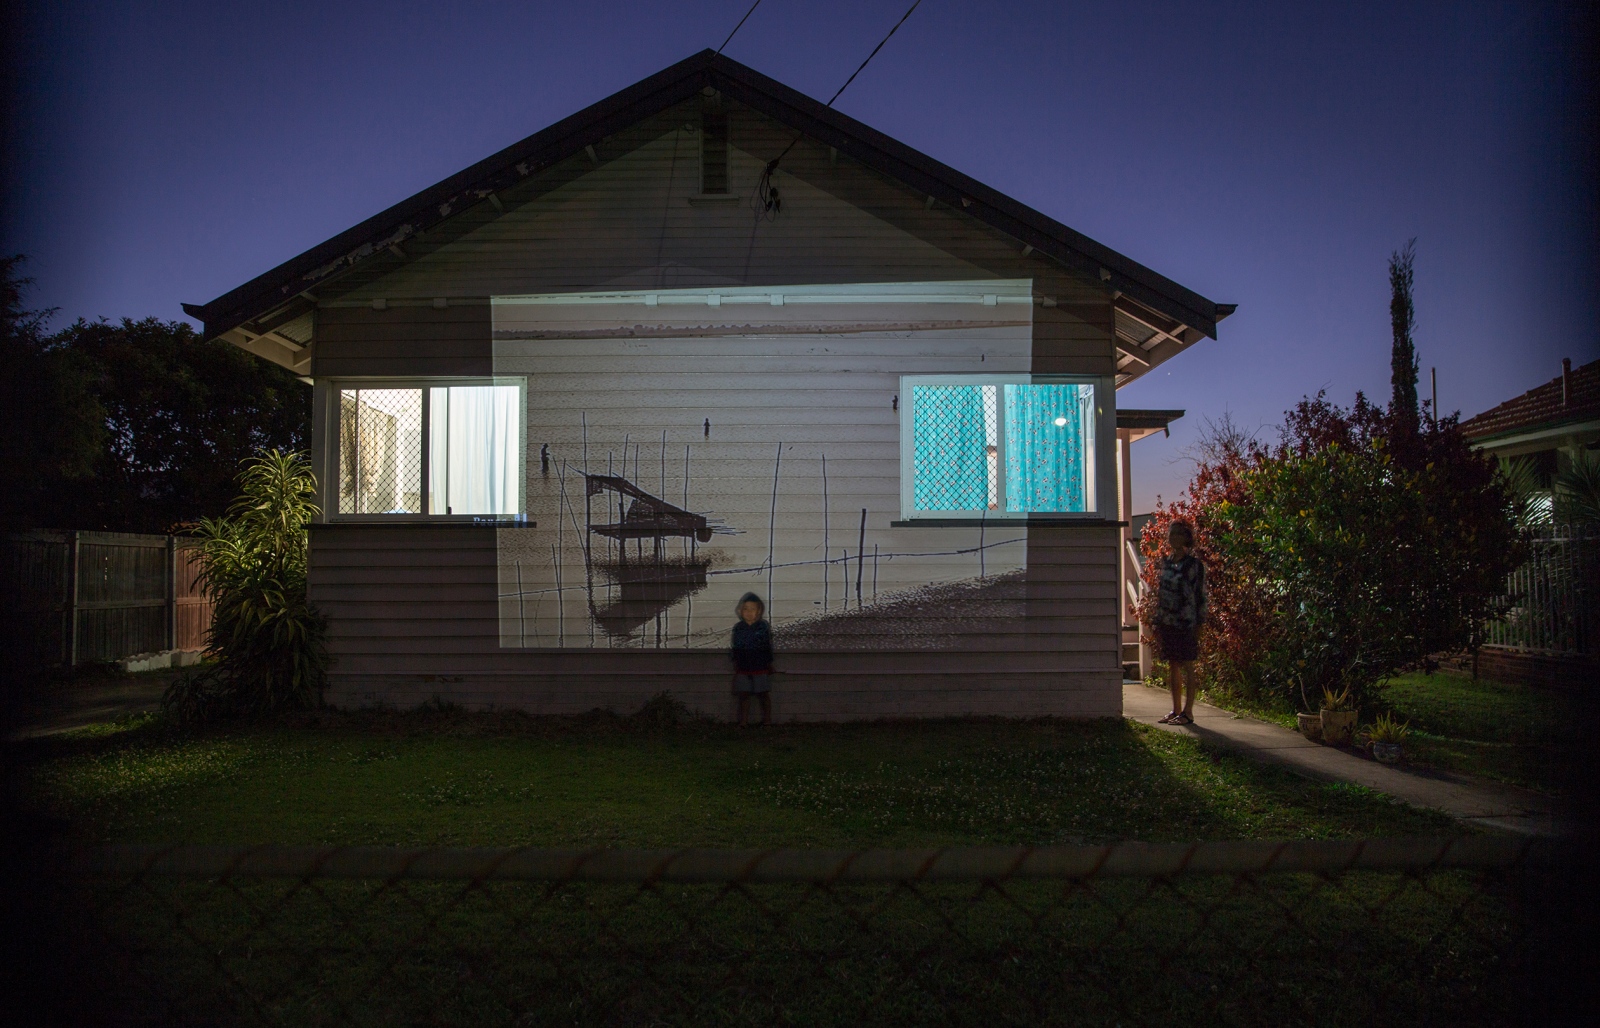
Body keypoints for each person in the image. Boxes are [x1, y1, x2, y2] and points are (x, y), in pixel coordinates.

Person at [1151, 520, 1208, 725]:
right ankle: (1175, 710)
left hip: (1187, 622)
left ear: (1185, 538)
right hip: (1168, 621)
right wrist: (1158, 618)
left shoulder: (1194, 565)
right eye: (1171, 534)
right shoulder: (1166, 562)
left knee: (1188, 665)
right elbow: (1162, 592)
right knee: (1173, 664)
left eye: (1177, 534)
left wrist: (1200, 623)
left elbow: (1200, 596)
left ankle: (1188, 712)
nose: (1173, 538)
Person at [729, 592, 774, 726]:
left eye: (752, 609)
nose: (749, 613)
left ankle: (767, 720)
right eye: (745, 609)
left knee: (763, 694)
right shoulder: (738, 628)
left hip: (760, 664)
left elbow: (767, 646)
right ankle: (743, 721)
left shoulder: (763, 626)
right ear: (740, 610)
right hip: (743, 665)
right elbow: (735, 646)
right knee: (744, 694)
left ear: (759, 611)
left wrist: (768, 663)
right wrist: (736, 661)